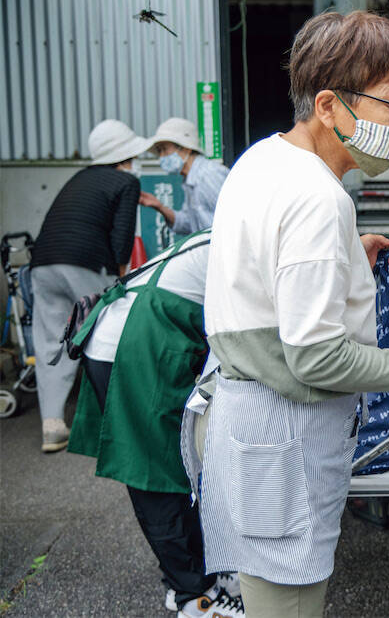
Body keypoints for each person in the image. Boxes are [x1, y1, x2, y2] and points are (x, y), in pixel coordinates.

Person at [191, 11, 389, 618]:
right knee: (289, 603)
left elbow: (271, 272)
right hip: (281, 437)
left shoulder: (265, 158)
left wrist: (351, 251)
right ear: (328, 105)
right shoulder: (318, 199)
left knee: (272, 592)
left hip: (248, 421)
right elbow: (316, 355)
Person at [67, 231, 243, 618]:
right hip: (131, 344)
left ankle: (201, 577)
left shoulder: (230, 230)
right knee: (156, 478)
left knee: (184, 469)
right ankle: (193, 598)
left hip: (142, 335)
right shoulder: (244, 238)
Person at [30, 119, 145, 452]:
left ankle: (52, 424)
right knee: (106, 335)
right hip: (85, 263)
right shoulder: (127, 181)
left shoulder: (78, 177)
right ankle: (117, 422)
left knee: (53, 341)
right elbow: (122, 236)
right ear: (126, 155)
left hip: (43, 264)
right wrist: (119, 279)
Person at [139, 118, 228, 234]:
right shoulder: (190, 180)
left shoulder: (208, 175)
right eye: (159, 151)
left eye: (164, 150)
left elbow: (231, 220)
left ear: (186, 148)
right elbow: (188, 224)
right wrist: (159, 206)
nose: (161, 157)